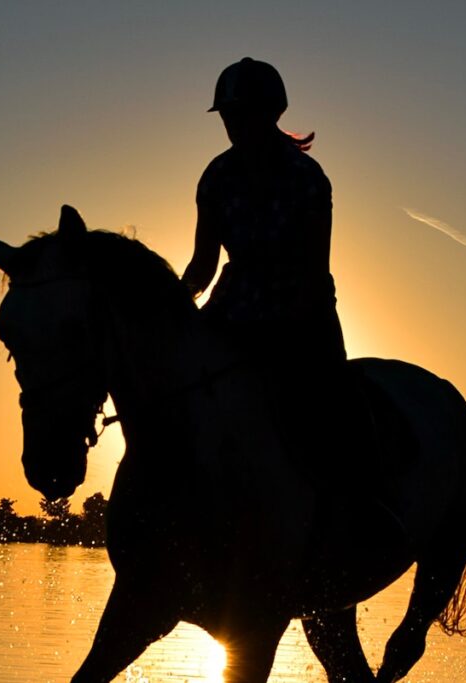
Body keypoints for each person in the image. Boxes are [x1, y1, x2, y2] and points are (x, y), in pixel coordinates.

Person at [181, 57, 353, 470]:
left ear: (271, 113)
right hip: (232, 308)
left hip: (303, 314)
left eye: (242, 115)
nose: (234, 126)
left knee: (340, 409)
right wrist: (171, 305)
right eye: (228, 117)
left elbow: (314, 272)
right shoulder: (215, 177)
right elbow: (203, 266)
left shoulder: (308, 178)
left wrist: (279, 331)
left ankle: (368, 502)